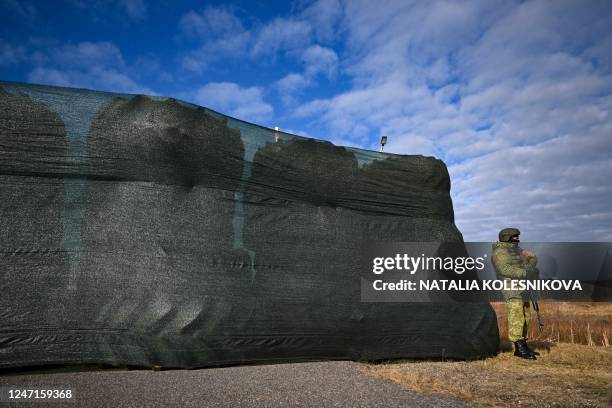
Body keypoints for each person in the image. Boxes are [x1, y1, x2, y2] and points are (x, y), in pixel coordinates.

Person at [491, 227, 540, 359]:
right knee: (516, 314)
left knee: (525, 314)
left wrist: (532, 260)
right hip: (509, 286)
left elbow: (529, 262)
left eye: (518, 238)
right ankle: (519, 348)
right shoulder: (500, 252)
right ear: (507, 238)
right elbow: (504, 269)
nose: (517, 240)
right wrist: (525, 273)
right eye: (514, 238)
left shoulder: (516, 251)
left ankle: (523, 345)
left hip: (522, 285)